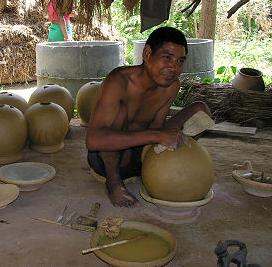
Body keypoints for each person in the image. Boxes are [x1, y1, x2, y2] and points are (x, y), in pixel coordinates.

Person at [86, 26, 211, 208]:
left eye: (180, 61)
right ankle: (114, 184)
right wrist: (156, 136)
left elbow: (158, 125)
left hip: (142, 153)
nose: (173, 67)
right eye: (167, 58)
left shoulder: (171, 86)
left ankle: (168, 163)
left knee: (200, 110)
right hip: (109, 160)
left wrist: (159, 139)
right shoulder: (119, 81)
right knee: (120, 116)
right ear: (147, 54)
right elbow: (94, 140)